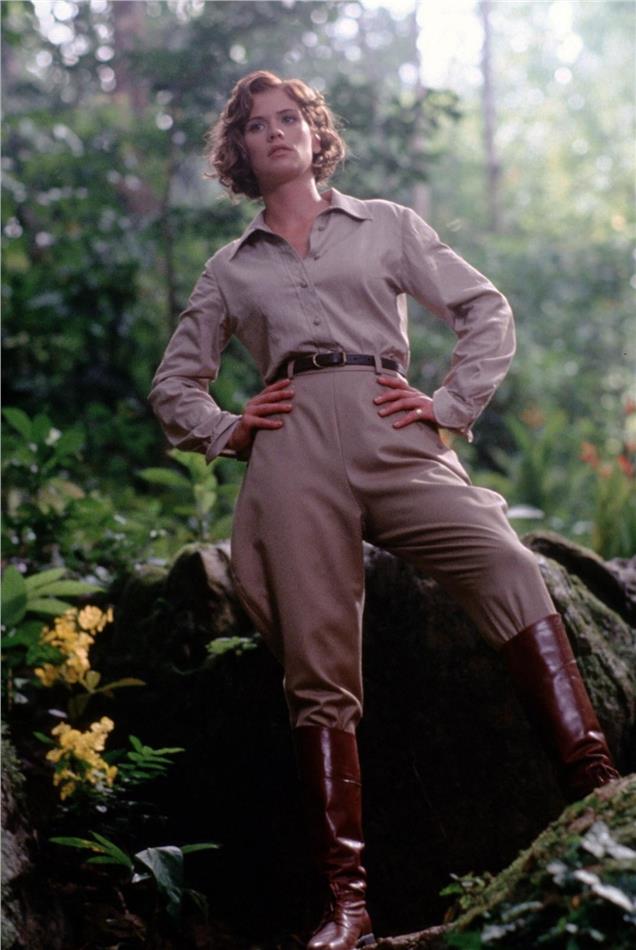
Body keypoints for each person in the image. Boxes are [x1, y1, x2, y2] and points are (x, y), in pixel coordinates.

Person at [148, 70, 619, 950]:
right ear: (240, 150)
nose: (277, 131)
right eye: (257, 125)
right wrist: (228, 428)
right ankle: (349, 905)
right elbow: (175, 385)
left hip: (394, 427)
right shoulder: (230, 269)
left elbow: (484, 309)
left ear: (314, 134)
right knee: (317, 663)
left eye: (291, 118)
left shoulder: (387, 225)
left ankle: (598, 791)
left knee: (505, 561)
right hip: (292, 451)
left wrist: (450, 404)